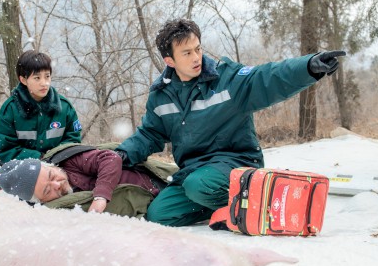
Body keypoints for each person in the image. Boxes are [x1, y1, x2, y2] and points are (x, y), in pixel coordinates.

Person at [115, 18, 346, 227]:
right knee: (160, 214)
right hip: (194, 173)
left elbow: (267, 78)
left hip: (237, 164)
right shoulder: (161, 96)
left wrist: (308, 67)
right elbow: (150, 134)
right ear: (170, 60)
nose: (196, 58)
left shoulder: (227, 79)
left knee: (199, 185)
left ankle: (250, 205)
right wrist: (123, 154)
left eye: (198, 49)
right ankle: (222, 206)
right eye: (186, 53)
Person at [0, 146, 170, 215]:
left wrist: (101, 196)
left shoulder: (70, 161)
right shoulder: (54, 211)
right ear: (40, 201)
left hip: (156, 180)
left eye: (51, 176)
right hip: (148, 205)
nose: (57, 184)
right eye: (47, 191)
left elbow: (110, 158)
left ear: (50, 165)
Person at [0, 50, 82, 163]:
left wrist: (54, 157)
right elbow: (5, 148)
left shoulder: (64, 108)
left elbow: (73, 140)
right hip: (23, 170)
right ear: (23, 80)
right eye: (37, 78)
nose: (44, 83)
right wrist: (38, 158)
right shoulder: (10, 110)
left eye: (47, 76)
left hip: (60, 167)